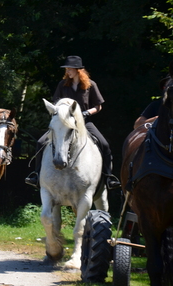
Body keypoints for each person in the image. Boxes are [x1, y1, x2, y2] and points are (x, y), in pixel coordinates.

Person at [25, 56, 121, 190]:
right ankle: (36, 175)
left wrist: (87, 113)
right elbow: (55, 104)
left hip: (84, 123)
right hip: (63, 123)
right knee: (41, 142)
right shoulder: (62, 84)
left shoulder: (90, 85)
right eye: (67, 69)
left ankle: (108, 177)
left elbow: (98, 106)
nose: (68, 71)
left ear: (78, 70)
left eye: (70, 68)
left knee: (104, 144)